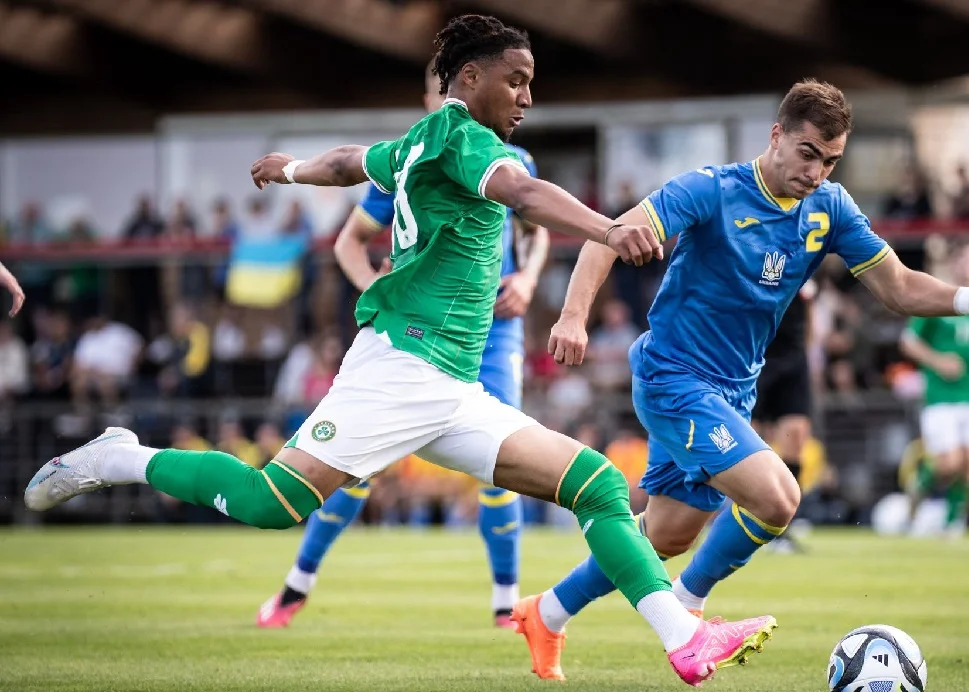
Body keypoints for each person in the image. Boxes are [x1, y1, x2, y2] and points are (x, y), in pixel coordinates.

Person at [23, 15, 775, 686]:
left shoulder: (423, 139)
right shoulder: (466, 139)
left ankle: (683, 642)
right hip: (398, 370)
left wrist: (287, 168)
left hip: (449, 384)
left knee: (600, 487)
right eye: (516, 81)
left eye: (531, 85)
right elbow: (520, 193)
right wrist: (612, 228)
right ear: (469, 79)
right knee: (268, 503)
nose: (527, 98)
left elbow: (354, 160)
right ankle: (119, 456)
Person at [517, 79, 969, 681]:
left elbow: (900, 286)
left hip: (733, 390)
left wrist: (968, 300)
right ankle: (689, 610)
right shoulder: (711, 189)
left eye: (831, 161)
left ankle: (545, 613)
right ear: (776, 135)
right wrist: (573, 316)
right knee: (778, 497)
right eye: (808, 153)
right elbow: (608, 239)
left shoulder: (830, 207)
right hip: (674, 376)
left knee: (667, 535)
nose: (817, 172)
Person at [256, 61, 549, 632]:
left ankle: (504, 604)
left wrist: (530, 279)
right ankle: (296, 587)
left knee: (504, 465)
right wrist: (380, 289)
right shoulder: (410, 164)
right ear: (430, 97)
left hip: (494, 333)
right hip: (417, 332)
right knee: (353, 464)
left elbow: (536, 233)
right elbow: (348, 244)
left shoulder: (512, 162)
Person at [900, 239, 969, 537]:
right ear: (953, 264)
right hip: (941, 395)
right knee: (948, 464)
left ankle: (952, 523)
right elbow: (909, 341)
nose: (968, 264)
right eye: (962, 258)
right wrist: (938, 360)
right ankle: (917, 493)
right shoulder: (941, 298)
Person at [751, 281, 816, 553]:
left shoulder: (804, 255)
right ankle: (745, 520)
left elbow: (809, 310)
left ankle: (782, 528)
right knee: (748, 439)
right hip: (753, 357)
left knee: (796, 436)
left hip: (792, 360)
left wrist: (807, 354)